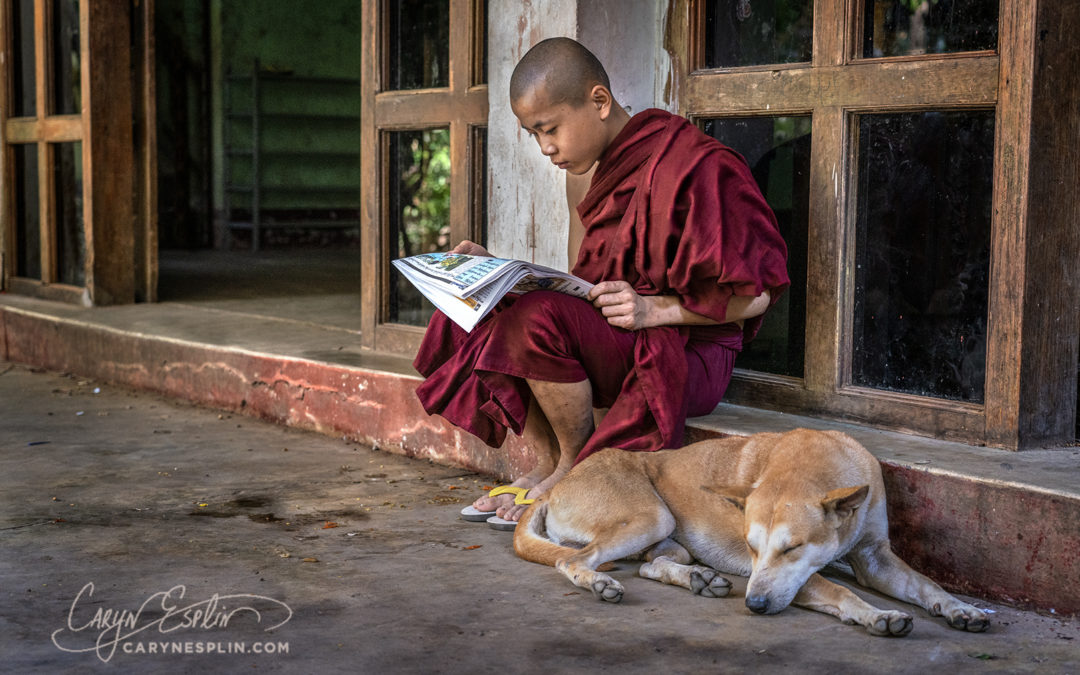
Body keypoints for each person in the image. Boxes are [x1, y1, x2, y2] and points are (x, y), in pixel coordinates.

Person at [413, 37, 790, 525]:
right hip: (623, 333)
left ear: (598, 101)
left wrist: (655, 310)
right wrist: (499, 274)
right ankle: (547, 463)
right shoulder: (583, 175)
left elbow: (757, 295)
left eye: (550, 129)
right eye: (533, 135)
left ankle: (574, 466)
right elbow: (585, 284)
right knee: (489, 309)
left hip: (689, 350)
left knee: (536, 321)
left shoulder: (698, 165)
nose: (546, 148)